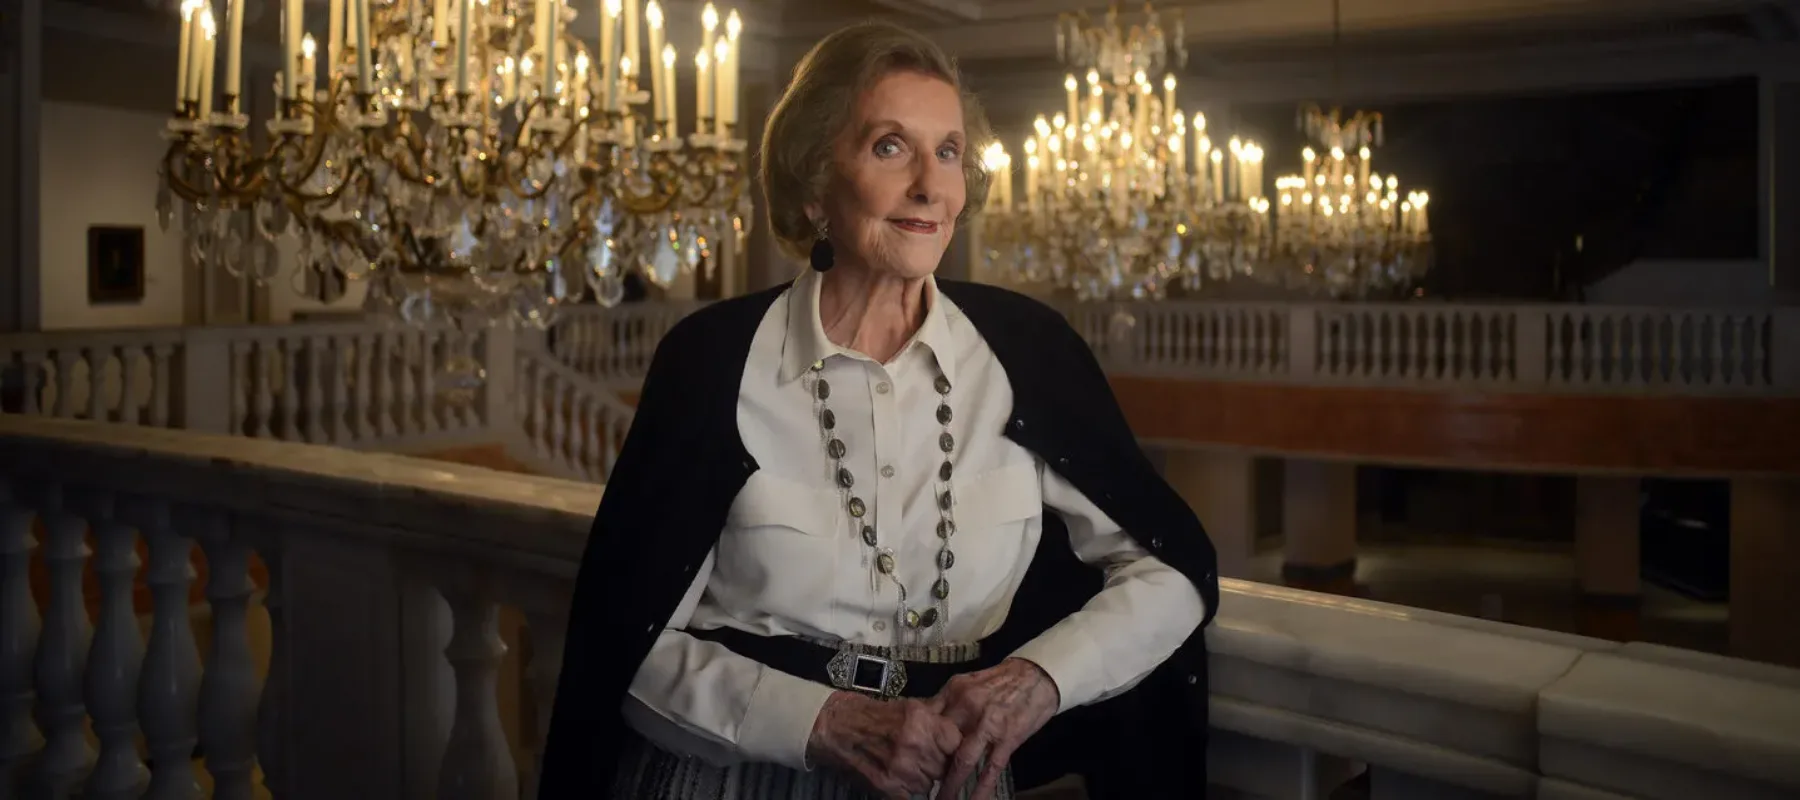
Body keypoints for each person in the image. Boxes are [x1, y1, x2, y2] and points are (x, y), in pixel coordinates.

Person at [539, 21, 1220, 800]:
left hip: (953, 781)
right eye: (891, 146)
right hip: (737, 778)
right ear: (812, 179)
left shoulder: (1030, 351)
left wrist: (1038, 679)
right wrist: (818, 721)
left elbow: (1170, 570)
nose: (932, 185)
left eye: (951, 151)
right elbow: (624, 644)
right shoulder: (711, 361)